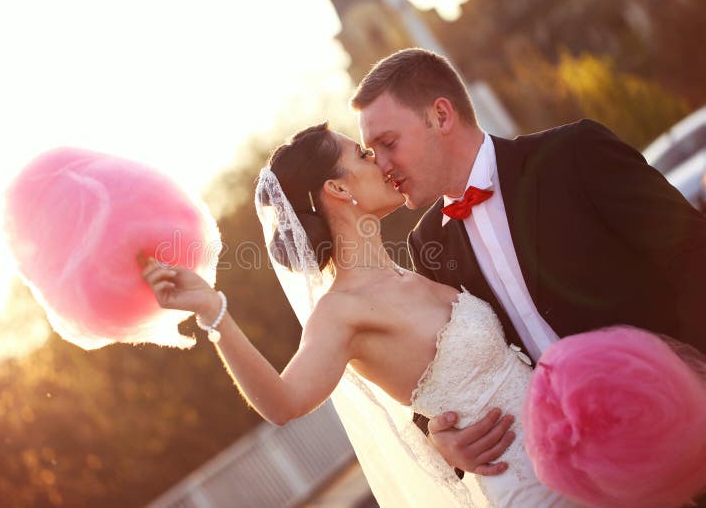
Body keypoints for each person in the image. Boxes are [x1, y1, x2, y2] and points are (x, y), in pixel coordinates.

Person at [140, 123, 578, 507]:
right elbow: (283, 402)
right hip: (530, 489)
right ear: (340, 189)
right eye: (365, 155)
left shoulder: (416, 268)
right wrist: (215, 315)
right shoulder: (340, 312)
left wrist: (437, 438)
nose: (382, 162)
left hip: (578, 447)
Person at [351, 47, 706, 481]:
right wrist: (439, 440)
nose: (383, 166)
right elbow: (436, 369)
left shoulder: (574, 154)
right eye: (372, 153)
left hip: (686, 415)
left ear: (441, 116)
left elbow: (693, 253)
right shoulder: (428, 243)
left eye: (388, 144)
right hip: (583, 476)